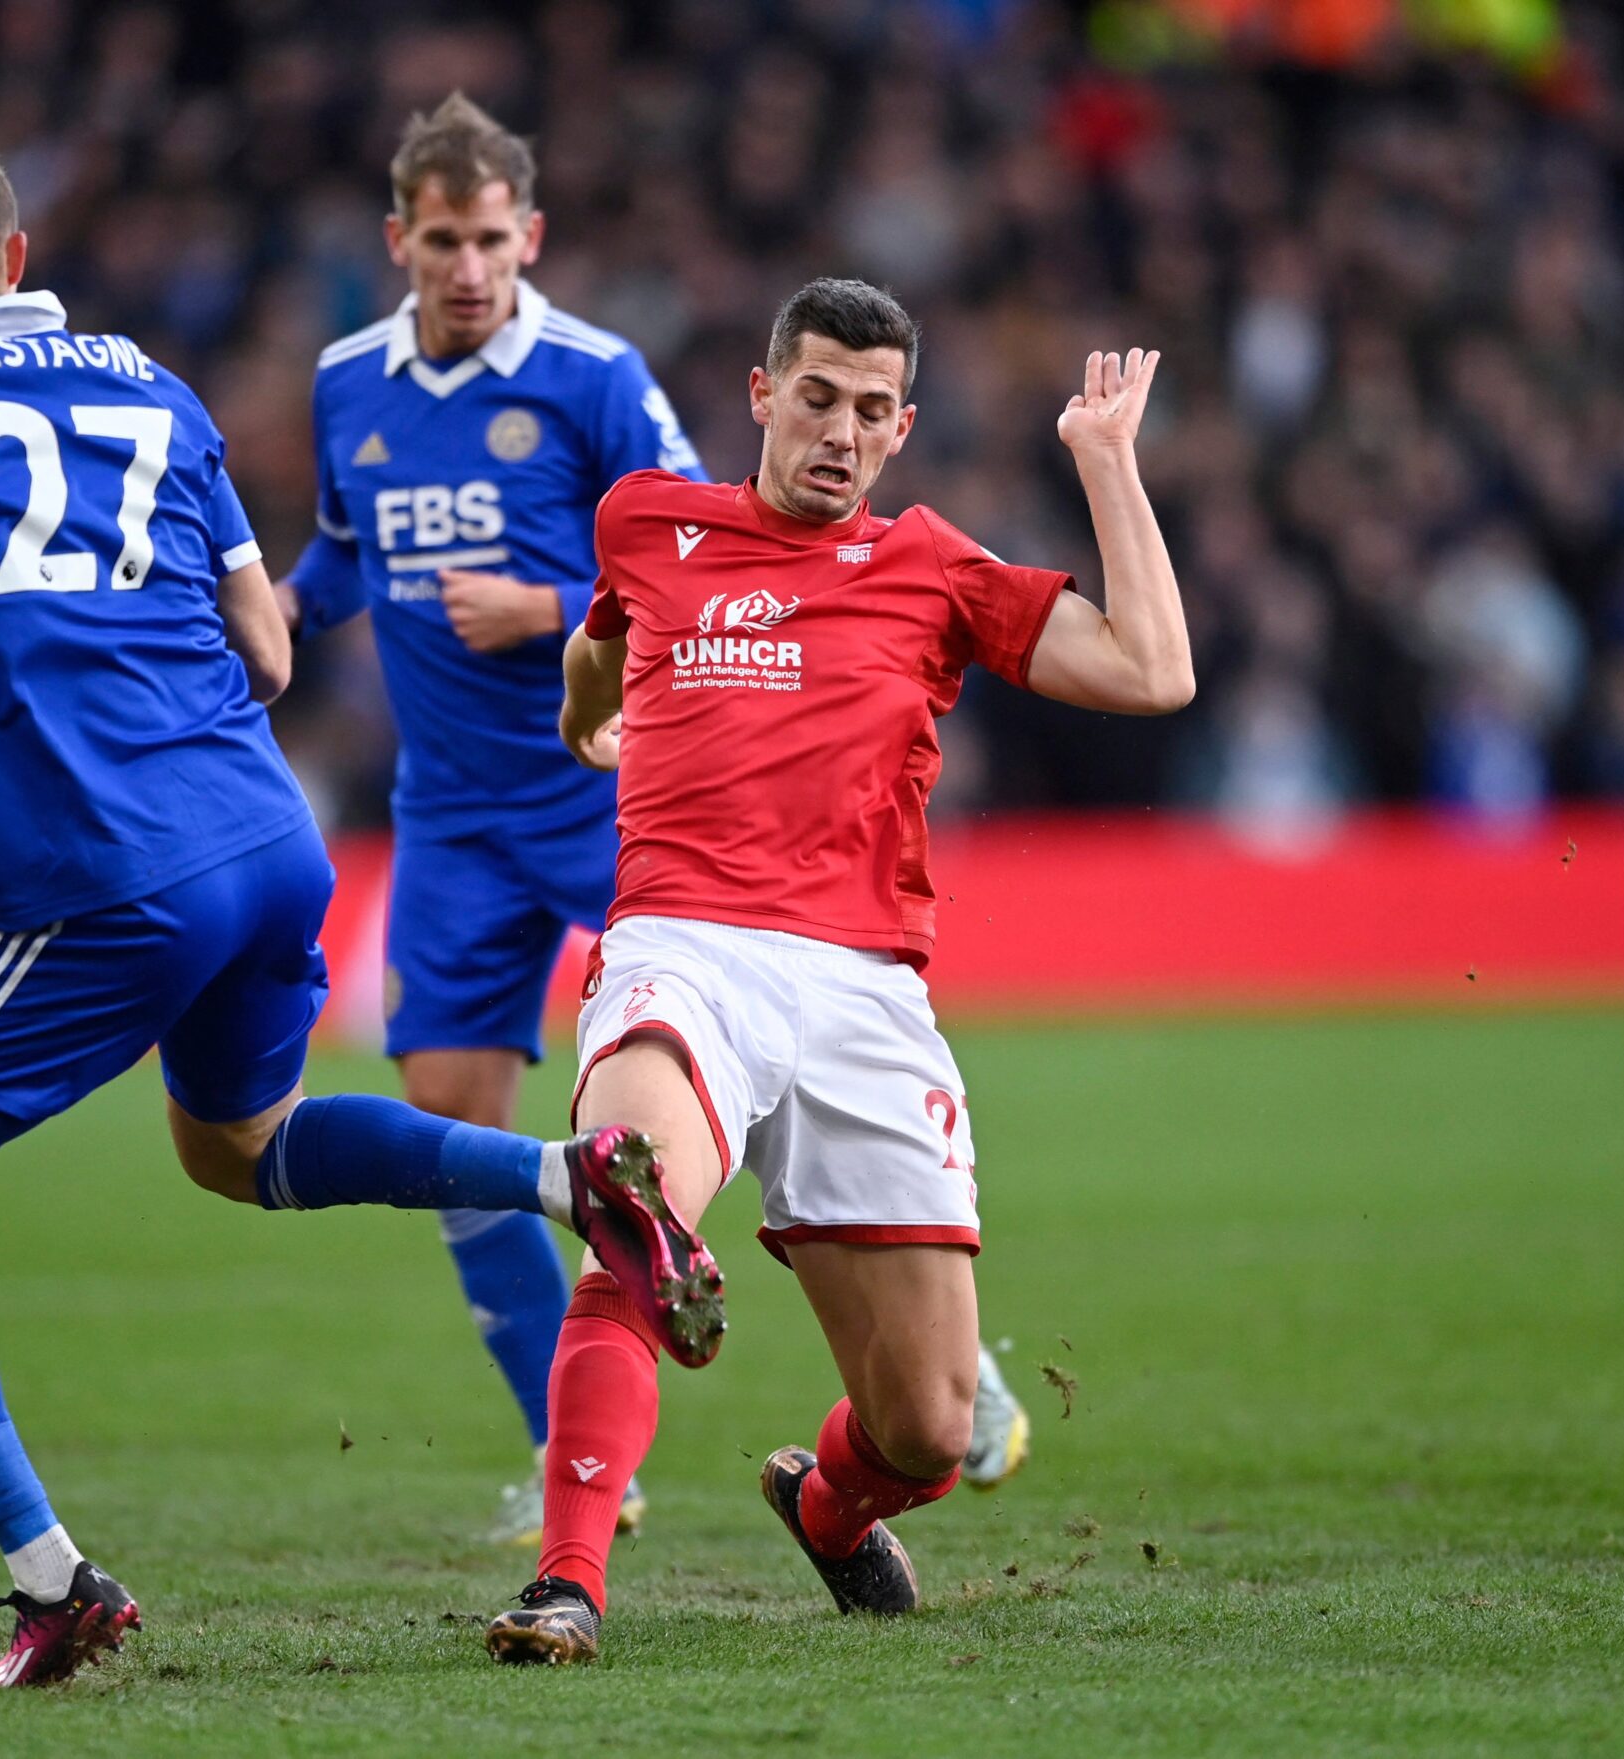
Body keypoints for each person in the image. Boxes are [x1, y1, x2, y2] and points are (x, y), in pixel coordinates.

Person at [0, 135, 721, 1690]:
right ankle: (568, 1174)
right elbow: (271, 655)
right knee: (242, 1150)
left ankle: (51, 1578)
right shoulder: (151, 383)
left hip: (97, 874)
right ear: (18, 259)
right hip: (267, 839)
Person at [287, 98, 1029, 1546]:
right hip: (449, 816)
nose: (468, 264)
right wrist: (271, 619)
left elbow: (717, 543)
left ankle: (924, 1325)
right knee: (454, 1123)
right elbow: (337, 547)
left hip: (615, 787)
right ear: (400, 242)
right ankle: (575, 1467)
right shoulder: (342, 386)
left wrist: (550, 612)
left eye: (492, 237)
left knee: (683, 1076)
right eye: (442, 239)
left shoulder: (592, 376)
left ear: (530, 237)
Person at [484, 281, 1193, 1665]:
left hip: (866, 989)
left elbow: (1153, 671)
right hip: (684, 947)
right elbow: (603, 639)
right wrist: (588, 719)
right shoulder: (651, 518)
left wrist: (1107, 463)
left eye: (873, 411)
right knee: (635, 1199)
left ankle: (829, 1502)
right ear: (762, 395)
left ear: (902, 426)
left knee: (929, 1428)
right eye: (817, 397)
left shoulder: (932, 568)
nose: (841, 432)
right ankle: (567, 1585)